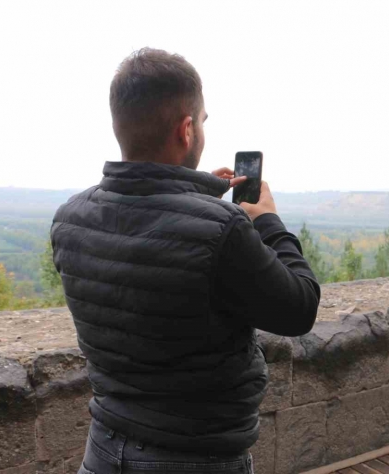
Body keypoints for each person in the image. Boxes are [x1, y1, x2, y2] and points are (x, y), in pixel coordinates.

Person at [50, 48, 320, 474]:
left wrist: (195, 196)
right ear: (187, 129)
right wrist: (268, 220)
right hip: (194, 457)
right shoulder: (223, 228)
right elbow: (300, 309)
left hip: (103, 449)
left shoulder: (70, 218)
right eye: (203, 122)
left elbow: (151, 244)